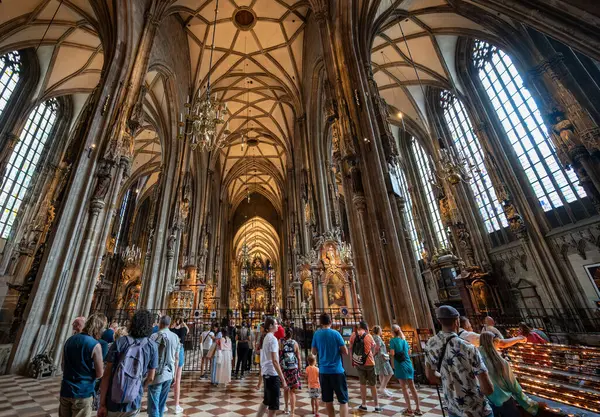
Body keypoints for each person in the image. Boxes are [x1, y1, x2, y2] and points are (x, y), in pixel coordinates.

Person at [424, 305, 494, 417]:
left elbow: (430, 376)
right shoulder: (468, 347)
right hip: (476, 410)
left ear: (438, 321)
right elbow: (487, 388)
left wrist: (450, 383)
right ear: (457, 321)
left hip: (453, 407)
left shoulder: (430, 344)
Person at [98, 309, 158, 417]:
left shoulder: (120, 341)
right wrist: (139, 386)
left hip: (113, 397)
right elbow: (151, 377)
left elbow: (106, 374)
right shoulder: (152, 346)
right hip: (133, 399)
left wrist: (102, 403)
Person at [480, 331, 545, 417]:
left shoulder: (475, 359)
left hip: (486, 403)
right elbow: (514, 387)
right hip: (505, 402)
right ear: (494, 343)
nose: (498, 348)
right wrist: (532, 404)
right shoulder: (501, 362)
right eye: (498, 344)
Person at [60, 314, 106, 417]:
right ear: (99, 328)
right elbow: (99, 373)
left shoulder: (69, 340)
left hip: (66, 389)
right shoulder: (95, 344)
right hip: (83, 391)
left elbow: (63, 366)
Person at [311, 313, 349, 417]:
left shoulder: (317, 334)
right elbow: (345, 351)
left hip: (323, 371)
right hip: (337, 370)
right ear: (330, 322)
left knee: (328, 400)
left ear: (320, 323)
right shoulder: (336, 333)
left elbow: (313, 352)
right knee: (343, 400)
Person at [147, 316, 180, 417]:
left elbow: (149, 356)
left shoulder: (154, 336)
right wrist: (174, 374)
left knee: (153, 405)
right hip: (169, 372)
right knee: (161, 404)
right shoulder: (175, 337)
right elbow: (177, 357)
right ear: (169, 324)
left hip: (156, 373)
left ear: (160, 323)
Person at [256, 317, 288, 417]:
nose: (278, 325)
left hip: (266, 372)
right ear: (270, 326)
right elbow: (275, 360)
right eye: (276, 323)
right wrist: (283, 379)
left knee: (266, 401)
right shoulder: (273, 339)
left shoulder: (266, 337)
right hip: (272, 374)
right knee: (273, 407)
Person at [389, 325, 421, 416]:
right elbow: (409, 352)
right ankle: (418, 409)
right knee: (412, 387)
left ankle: (409, 410)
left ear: (392, 332)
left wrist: (392, 364)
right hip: (408, 364)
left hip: (400, 365)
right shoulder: (404, 340)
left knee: (404, 388)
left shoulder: (392, 341)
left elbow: (392, 354)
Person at [349, 321, 381, 412]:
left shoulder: (353, 335)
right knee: (373, 384)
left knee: (362, 384)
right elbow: (374, 347)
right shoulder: (369, 336)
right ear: (366, 328)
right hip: (370, 363)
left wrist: (353, 360)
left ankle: (363, 404)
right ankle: (377, 406)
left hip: (359, 363)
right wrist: (373, 354)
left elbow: (350, 348)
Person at [460, 316, 525, 348]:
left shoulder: (456, 336)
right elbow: (502, 342)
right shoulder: (469, 336)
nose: (471, 327)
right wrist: (518, 338)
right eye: (470, 325)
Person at [280, 327, 301, 416]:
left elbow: (279, 355)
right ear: (292, 334)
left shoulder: (281, 342)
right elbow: (299, 357)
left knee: (286, 389)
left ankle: (286, 408)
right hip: (293, 368)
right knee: (292, 391)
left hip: (285, 368)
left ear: (285, 333)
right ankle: (292, 413)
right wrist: (299, 369)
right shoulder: (295, 343)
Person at [170, 318, 189, 414]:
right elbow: (187, 329)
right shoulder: (183, 330)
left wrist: (173, 325)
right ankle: (176, 405)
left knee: (166, 379)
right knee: (177, 380)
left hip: (170, 352)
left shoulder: (171, 330)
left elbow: (169, 328)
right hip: (179, 351)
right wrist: (183, 323)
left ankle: (162, 405)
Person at [371, 325, 393, 398]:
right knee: (389, 373)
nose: (381, 331)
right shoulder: (377, 337)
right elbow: (377, 348)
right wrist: (373, 355)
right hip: (381, 357)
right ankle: (382, 388)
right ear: (378, 331)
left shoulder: (374, 337)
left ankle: (384, 388)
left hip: (378, 357)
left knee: (381, 373)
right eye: (381, 330)